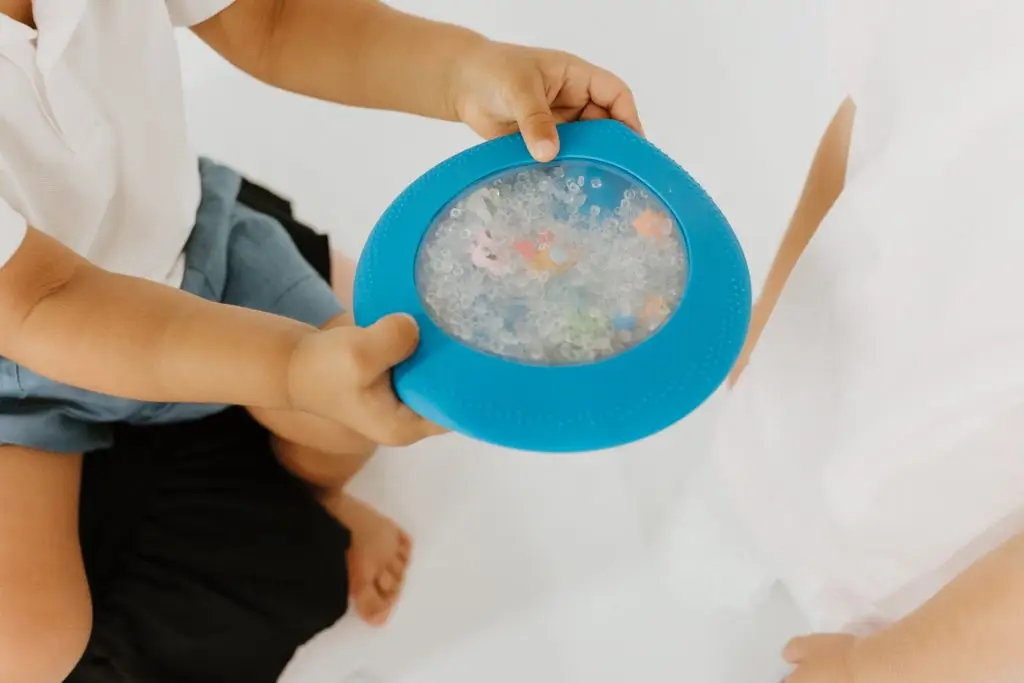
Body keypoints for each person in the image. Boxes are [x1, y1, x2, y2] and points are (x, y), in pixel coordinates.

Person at [0, 2, 643, 681]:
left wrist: (464, 70)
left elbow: (272, 20)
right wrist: (291, 366)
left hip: (199, 255)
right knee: (27, 650)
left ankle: (320, 500)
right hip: (26, 365)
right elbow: (46, 298)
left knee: (357, 407)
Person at [715, 0, 1024, 681]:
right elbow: (872, 108)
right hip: (806, 425)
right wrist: (771, 314)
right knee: (746, 552)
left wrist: (872, 667)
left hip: (938, 598)